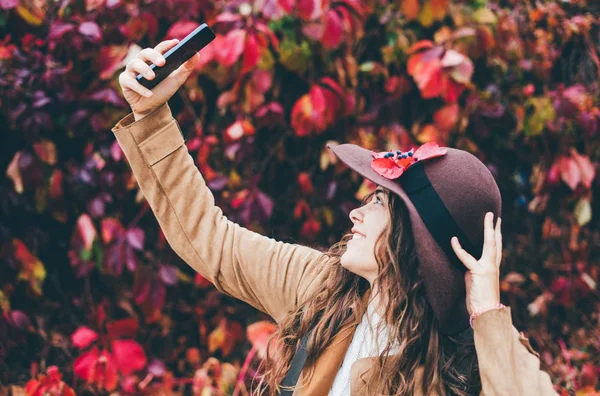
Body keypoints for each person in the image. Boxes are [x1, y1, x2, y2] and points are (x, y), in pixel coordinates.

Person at [114, 39, 557, 395]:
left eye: (381, 202)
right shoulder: (321, 288)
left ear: (419, 240)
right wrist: (151, 115)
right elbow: (210, 239)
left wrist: (488, 314)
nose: (356, 211)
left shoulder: (468, 364)